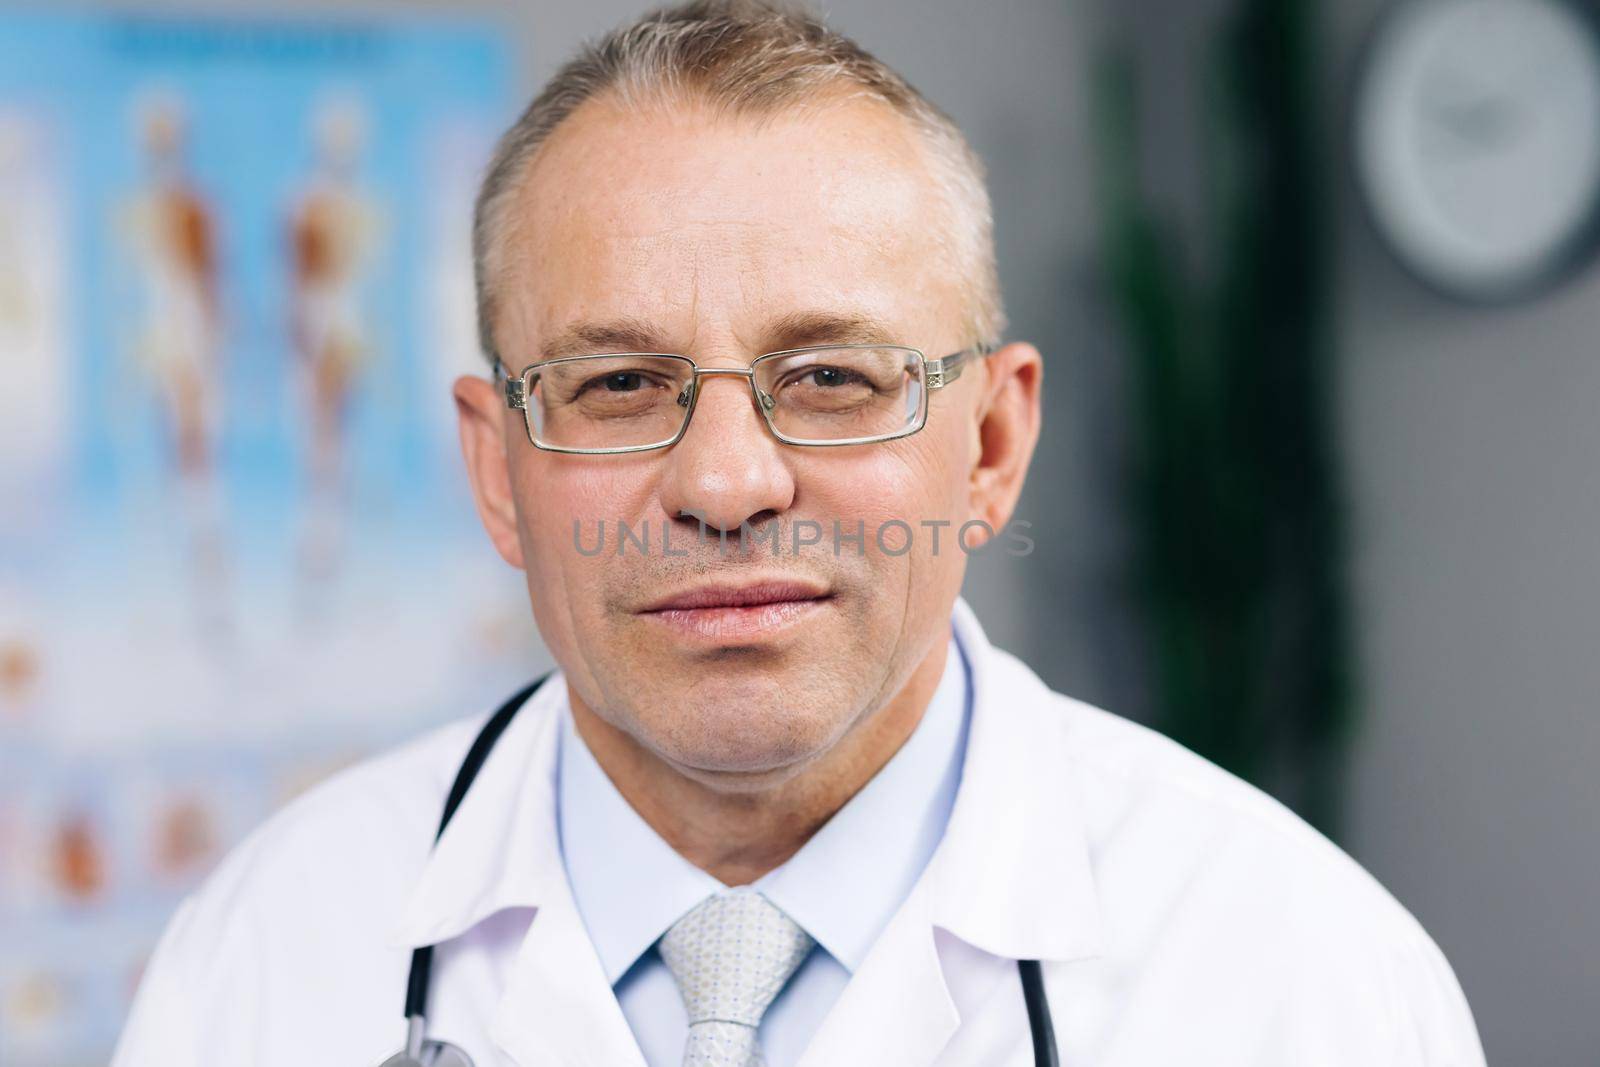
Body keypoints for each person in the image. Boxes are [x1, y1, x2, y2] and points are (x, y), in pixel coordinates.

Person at [111, 2, 1486, 1064]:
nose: (725, 483)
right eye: (617, 385)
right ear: (497, 468)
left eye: (833, 378)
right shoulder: (263, 959)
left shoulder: (1303, 982)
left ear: (992, 445)